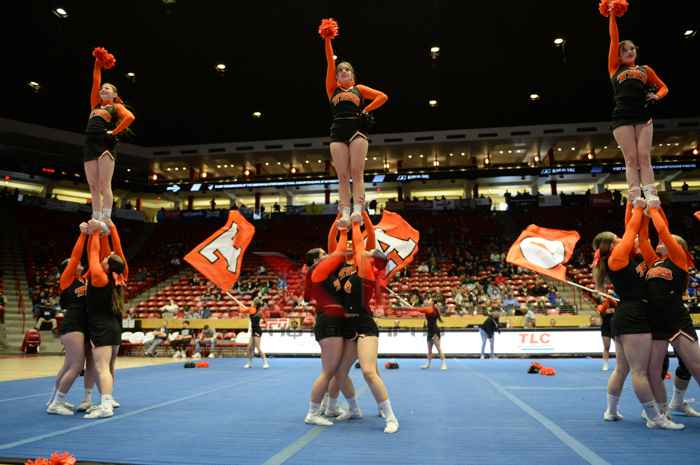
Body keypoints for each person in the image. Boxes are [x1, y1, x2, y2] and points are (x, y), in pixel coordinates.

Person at [593, 201, 682, 429]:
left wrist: (632, 204)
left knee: (622, 368)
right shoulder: (616, 259)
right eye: (618, 239)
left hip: (625, 316)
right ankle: (655, 417)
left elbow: (633, 231)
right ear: (612, 245)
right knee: (639, 371)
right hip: (633, 316)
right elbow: (630, 230)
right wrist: (638, 208)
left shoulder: (625, 259)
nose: (623, 239)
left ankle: (611, 411)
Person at [319, 18, 388, 227]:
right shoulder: (332, 89)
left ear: (352, 74)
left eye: (347, 70)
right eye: (340, 70)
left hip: (357, 131)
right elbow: (329, 62)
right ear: (337, 77)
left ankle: (358, 208)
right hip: (337, 132)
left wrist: (365, 110)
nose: (343, 71)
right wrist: (327, 39)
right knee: (342, 175)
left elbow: (383, 96)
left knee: (357, 172)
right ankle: (345, 212)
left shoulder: (359, 89)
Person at [601, 0, 667, 205]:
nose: (629, 51)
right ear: (619, 56)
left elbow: (664, 87)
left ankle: (651, 194)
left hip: (643, 115)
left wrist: (657, 96)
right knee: (630, 158)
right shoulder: (615, 68)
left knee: (644, 156)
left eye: (632, 49)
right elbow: (614, 39)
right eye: (624, 50)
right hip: (621, 117)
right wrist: (612, 15)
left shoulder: (645, 70)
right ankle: (635, 195)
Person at [639, 205, 700, 420]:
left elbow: (663, 231)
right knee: (654, 370)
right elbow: (643, 239)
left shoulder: (679, 260)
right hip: (655, 321)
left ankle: (673, 404)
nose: (661, 241)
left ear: (678, 247)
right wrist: (643, 215)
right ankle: (660, 412)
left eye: (667, 241)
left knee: (695, 365)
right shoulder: (653, 261)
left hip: (676, 319)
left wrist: (654, 209)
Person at [303, 218, 358, 426]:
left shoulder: (325, 272)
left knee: (335, 370)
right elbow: (338, 250)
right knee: (328, 371)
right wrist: (342, 229)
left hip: (335, 321)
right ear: (316, 260)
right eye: (323, 254)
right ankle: (312, 412)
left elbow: (338, 253)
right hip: (329, 322)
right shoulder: (317, 272)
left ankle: (330, 406)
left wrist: (339, 221)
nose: (328, 255)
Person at [82, 219, 127, 419]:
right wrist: (107, 233)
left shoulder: (100, 278)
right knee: (107, 367)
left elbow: (93, 254)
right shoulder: (117, 278)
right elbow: (110, 255)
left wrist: (94, 233)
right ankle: (107, 402)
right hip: (114, 327)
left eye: (106, 258)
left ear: (108, 265)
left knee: (102, 369)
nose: (104, 258)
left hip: (101, 327)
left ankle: (106, 406)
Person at [84, 48, 135, 223]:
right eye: (102, 88)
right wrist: (98, 62)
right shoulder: (95, 105)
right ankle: (96, 216)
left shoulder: (116, 107)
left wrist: (114, 132)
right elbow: (95, 80)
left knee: (104, 184)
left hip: (105, 142)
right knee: (93, 185)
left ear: (114, 95)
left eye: (107, 88)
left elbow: (130, 117)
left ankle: (106, 218)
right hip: (89, 144)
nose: (103, 89)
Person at [47, 223, 89, 415]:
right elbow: (76, 254)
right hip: (73, 324)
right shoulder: (67, 280)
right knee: (77, 365)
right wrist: (83, 235)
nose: (80, 264)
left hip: (80, 324)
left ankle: (53, 399)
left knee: (67, 365)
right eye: (75, 263)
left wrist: (97, 236)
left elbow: (95, 261)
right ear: (68, 269)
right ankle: (57, 403)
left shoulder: (83, 280)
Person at [243, 300, 269, 369]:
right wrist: (244, 310)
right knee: (249, 347)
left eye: (253, 303)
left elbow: (265, 321)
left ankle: (265, 362)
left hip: (257, 330)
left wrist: (265, 325)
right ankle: (249, 363)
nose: (251, 304)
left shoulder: (259, 312)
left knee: (258, 348)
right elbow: (244, 312)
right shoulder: (251, 310)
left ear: (255, 305)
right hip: (253, 330)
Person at [421, 300, 447, 370]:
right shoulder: (427, 311)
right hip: (429, 331)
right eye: (425, 303)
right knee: (429, 350)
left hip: (435, 331)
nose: (425, 304)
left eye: (427, 303)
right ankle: (428, 364)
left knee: (438, 348)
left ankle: (444, 364)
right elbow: (425, 320)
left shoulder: (433, 311)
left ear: (431, 304)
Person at [598, 298, 616, 371]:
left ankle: (619, 364)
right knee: (606, 347)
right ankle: (605, 364)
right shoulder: (600, 306)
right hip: (605, 329)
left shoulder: (615, 306)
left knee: (618, 348)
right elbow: (603, 311)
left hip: (615, 328)